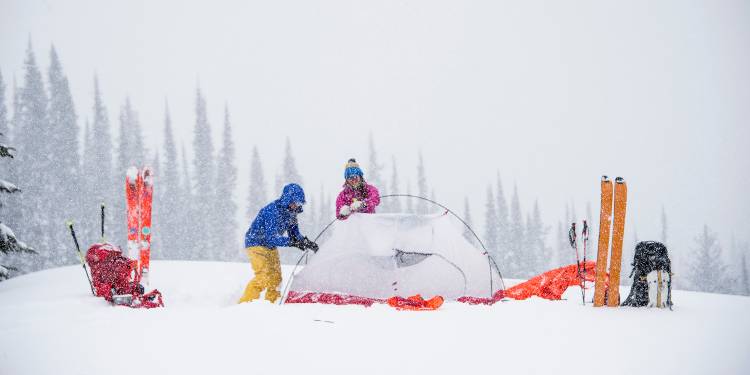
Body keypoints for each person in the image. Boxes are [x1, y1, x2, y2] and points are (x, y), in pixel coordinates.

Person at [238, 183, 318, 304]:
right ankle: (244, 304)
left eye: (300, 203)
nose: (297, 205)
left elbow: (294, 235)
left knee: (276, 278)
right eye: (295, 202)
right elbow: (272, 238)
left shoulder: (292, 213)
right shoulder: (272, 211)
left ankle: (271, 304)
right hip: (256, 244)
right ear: (288, 199)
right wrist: (292, 243)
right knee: (263, 277)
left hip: (270, 247)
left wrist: (306, 242)